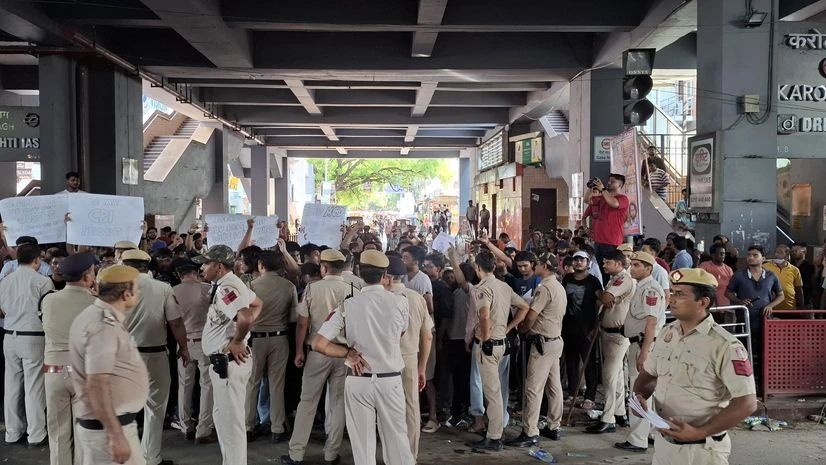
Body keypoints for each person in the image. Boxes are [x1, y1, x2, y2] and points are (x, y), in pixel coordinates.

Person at [635, 268, 757, 465]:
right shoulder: (668, 333)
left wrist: (699, 432)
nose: (671, 298)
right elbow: (649, 375)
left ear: (703, 302)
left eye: (680, 294)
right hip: (664, 446)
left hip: (702, 451)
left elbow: (747, 403)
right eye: (672, 292)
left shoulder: (725, 345)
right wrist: (639, 397)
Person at [311, 250, 415, 465]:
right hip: (390, 380)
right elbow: (401, 333)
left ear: (359, 271)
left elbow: (318, 344)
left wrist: (347, 353)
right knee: (397, 440)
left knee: (362, 444)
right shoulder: (400, 302)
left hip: (358, 379)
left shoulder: (347, 305)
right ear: (385, 274)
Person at [281, 249, 355, 465]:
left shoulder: (313, 288)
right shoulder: (353, 288)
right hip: (343, 354)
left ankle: (296, 453)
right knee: (337, 402)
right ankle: (331, 453)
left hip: (317, 352)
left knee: (308, 402)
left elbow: (302, 323)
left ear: (323, 268)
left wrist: (299, 351)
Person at [69, 265, 148, 465]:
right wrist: (115, 435)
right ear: (126, 293)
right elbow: (96, 384)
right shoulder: (102, 326)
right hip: (108, 430)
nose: (138, 293)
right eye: (137, 289)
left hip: (110, 426)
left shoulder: (99, 316)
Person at [194, 245, 263, 465]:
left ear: (218, 266)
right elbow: (257, 303)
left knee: (231, 424)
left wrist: (238, 340)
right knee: (223, 418)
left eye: (206, 263)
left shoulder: (226, 289)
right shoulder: (227, 284)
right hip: (224, 363)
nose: (202, 268)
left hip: (228, 362)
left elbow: (246, 317)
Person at [121, 249, 189, 465]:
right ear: (147, 266)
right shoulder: (162, 288)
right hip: (154, 354)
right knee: (155, 407)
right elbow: (175, 322)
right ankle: (151, 457)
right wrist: (184, 348)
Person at [40, 253, 98, 465]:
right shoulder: (97, 304)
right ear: (87, 276)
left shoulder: (49, 300)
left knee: (57, 431)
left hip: (54, 371)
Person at [469, 251, 529, 451]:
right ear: (493, 267)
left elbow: (484, 314)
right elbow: (524, 307)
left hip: (489, 344)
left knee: (492, 393)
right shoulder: (503, 286)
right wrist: (509, 327)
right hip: (502, 342)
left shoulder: (482, 288)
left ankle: (494, 436)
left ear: (478, 268)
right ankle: (495, 432)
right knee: (497, 391)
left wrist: (485, 338)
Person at [506, 252, 566, 446]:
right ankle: (554, 425)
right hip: (555, 340)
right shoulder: (558, 285)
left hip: (542, 343)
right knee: (553, 386)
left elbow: (531, 316)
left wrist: (522, 328)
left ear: (544, 266)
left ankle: (530, 431)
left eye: (537, 264)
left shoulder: (544, 287)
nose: (534, 267)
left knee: (533, 388)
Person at [0, 242, 54, 447]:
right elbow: (47, 312)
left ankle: (13, 432)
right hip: (33, 337)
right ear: (38, 260)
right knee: (34, 386)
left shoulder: (5, 281)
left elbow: (3, 308)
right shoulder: (42, 281)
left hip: (9, 336)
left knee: (12, 385)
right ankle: (36, 433)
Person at [614, 251, 666, 453]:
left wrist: (643, 353)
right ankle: (651, 433)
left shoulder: (650, 289)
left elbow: (651, 323)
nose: (632, 268)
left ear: (648, 269)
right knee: (647, 393)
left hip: (644, 344)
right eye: (632, 264)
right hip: (640, 343)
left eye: (637, 265)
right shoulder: (641, 287)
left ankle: (638, 439)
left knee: (638, 392)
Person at [245, 250, 297, 442]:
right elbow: (293, 316)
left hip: (255, 339)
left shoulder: (250, 285)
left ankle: (248, 426)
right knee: (277, 384)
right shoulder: (289, 286)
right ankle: (277, 428)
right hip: (279, 338)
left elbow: (243, 314)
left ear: (261, 265)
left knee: (252, 383)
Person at [387, 256, 433, 459]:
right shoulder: (416, 298)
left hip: (386, 360)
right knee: (411, 407)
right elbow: (428, 335)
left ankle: (391, 456)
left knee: (387, 408)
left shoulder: (380, 298)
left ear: (385, 276)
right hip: (410, 359)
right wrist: (422, 368)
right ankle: (410, 456)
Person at [587, 249, 635, 434]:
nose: (604, 265)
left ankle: (608, 418)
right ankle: (619, 412)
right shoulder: (613, 279)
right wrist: (603, 298)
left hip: (618, 334)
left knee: (608, 375)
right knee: (616, 375)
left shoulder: (624, 279)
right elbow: (605, 302)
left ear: (618, 263)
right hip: (607, 332)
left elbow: (606, 298)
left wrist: (599, 294)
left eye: (607, 262)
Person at [171, 258, 216, 443]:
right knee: (207, 385)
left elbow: (171, 320)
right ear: (196, 273)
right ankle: (203, 430)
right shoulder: (207, 289)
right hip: (205, 341)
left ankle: (185, 425)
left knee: (185, 384)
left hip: (184, 341)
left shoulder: (172, 292)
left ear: (179, 274)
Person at [725, 245, 783, 384]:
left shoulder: (771, 275)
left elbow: (781, 295)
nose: (750, 257)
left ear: (763, 258)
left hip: (765, 321)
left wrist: (770, 305)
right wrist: (739, 301)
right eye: (749, 255)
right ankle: (747, 385)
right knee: (744, 354)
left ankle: (765, 384)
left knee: (765, 353)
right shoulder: (739, 275)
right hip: (745, 321)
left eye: (755, 255)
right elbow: (728, 293)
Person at [561, 250, 603, 408]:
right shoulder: (567, 278)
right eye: (576, 260)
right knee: (571, 362)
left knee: (589, 363)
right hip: (568, 327)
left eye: (582, 260)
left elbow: (600, 300)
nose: (579, 262)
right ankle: (573, 393)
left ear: (588, 263)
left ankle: (589, 396)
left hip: (587, 329)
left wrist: (595, 326)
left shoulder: (593, 281)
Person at [583, 173, 630, 265]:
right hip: (598, 240)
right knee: (602, 269)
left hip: (612, 241)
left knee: (611, 268)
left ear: (620, 185)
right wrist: (591, 187)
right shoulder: (601, 198)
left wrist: (603, 189)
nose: (609, 183)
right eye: (609, 180)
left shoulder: (623, 198)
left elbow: (614, 203)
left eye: (613, 181)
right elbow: (586, 200)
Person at [762, 244, 804, 312]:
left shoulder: (795, 270)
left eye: (780, 252)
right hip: (770, 309)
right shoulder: (765, 267)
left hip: (790, 308)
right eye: (775, 252)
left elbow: (799, 289)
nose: (776, 254)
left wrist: (802, 307)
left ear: (787, 256)